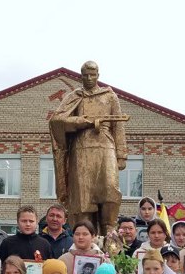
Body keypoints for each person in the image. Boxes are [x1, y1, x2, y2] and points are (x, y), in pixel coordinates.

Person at [48, 60, 128, 235]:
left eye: (92, 75)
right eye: (85, 75)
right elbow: (56, 121)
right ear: (81, 77)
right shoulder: (75, 96)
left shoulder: (109, 96)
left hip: (106, 145)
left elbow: (119, 126)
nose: (89, 78)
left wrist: (121, 154)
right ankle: (85, 233)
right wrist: (81, 122)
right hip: (81, 147)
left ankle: (109, 229)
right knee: (83, 195)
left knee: (109, 188)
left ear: (98, 76)